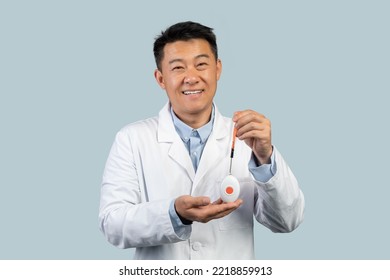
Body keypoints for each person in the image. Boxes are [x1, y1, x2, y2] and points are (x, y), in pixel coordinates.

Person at [99, 21, 304, 260]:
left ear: (217, 70)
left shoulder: (249, 138)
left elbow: (288, 220)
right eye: (177, 68)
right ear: (160, 78)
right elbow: (112, 223)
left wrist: (265, 157)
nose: (191, 77)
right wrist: (175, 213)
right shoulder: (131, 139)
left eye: (201, 65)